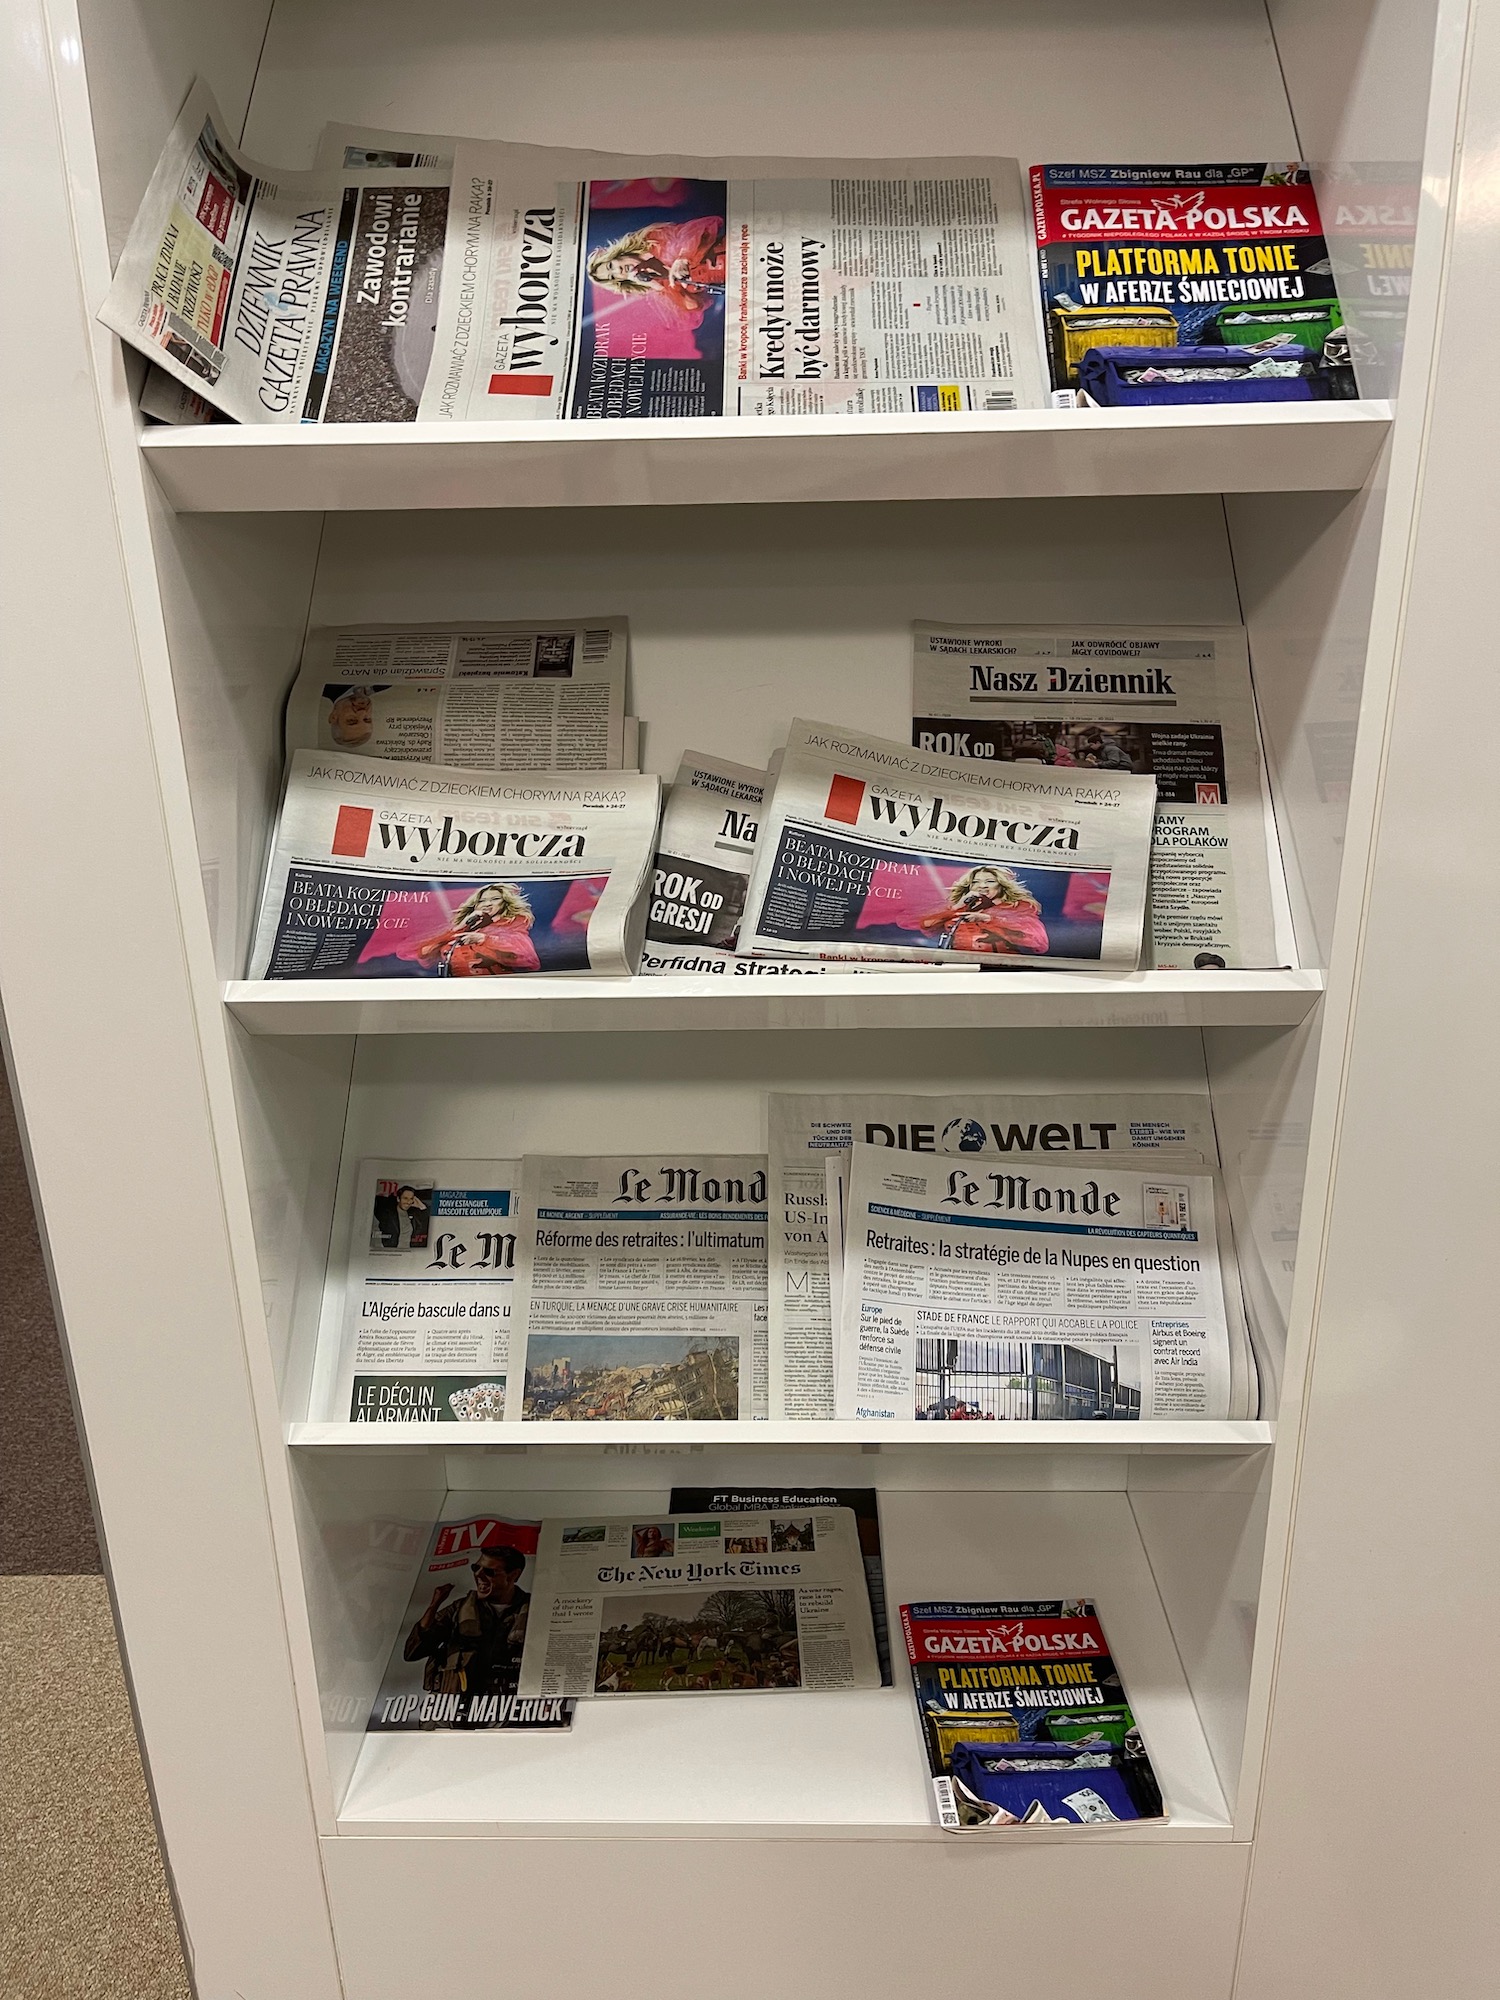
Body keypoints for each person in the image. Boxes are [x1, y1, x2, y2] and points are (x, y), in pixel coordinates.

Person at [402, 1544, 530, 1722]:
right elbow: (413, 1652)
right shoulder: (459, 1609)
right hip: (451, 1710)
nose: (478, 1575)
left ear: (513, 1575)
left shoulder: (535, 1609)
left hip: (506, 1712)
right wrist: (434, 1605)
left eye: (489, 1571)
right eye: (475, 1568)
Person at [587, 216, 727, 321]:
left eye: (611, 266)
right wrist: (658, 286)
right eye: (613, 276)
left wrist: (683, 258)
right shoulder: (657, 289)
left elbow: (697, 228)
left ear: (615, 256)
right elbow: (693, 306)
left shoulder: (652, 239)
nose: (618, 271)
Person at [402, 882, 540, 977]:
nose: (487, 904)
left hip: (495, 992)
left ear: (505, 903)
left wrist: (483, 939)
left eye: (495, 899)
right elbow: (414, 952)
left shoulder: (512, 927)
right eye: (481, 901)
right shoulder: (462, 928)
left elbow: (528, 958)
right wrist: (457, 928)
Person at [918, 866, 1049, 956]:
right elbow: (927, 925)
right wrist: (956, 907)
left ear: (1001, 885)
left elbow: (1036, 940)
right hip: (959, 964)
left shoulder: (1018, 907)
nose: (982, 886)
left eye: (990, 881)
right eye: (975, 882)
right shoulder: (961, 907)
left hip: (1001, 968)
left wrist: (987, 919)